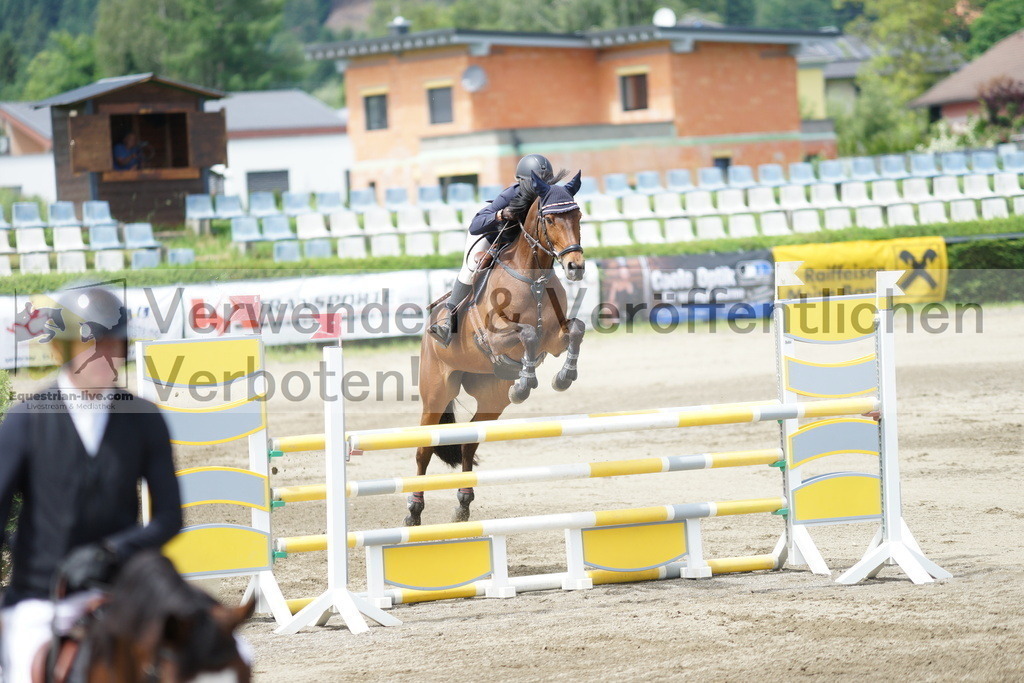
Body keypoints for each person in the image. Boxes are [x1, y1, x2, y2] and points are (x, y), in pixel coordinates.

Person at [0, 286, 182, 682]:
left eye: (114, 343)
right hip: (41, 599)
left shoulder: (144, 418)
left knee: (223, 650)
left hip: (122, 590)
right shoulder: (26, 421)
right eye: (93, 344)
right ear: (62, 350)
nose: (106, 355)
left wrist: (111, 551)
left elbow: (170, 517)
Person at [429, 154, 555, 347]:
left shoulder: (550, 197)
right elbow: (476, 224)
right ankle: (448, 322)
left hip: (522, 245)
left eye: (545, 183)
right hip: (492, 237)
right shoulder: (511, 195)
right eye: (537, 183)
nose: (542, 189)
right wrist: (501, 214)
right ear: (523, 182)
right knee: (472, 267)